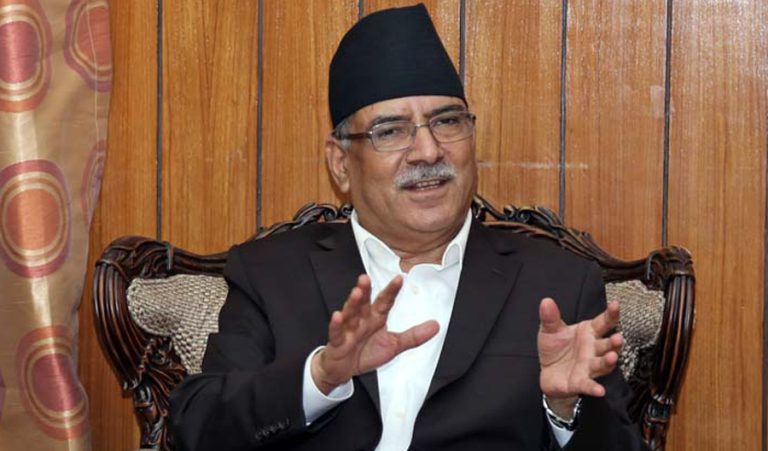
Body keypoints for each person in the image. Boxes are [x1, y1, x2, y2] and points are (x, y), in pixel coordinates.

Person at [170, 4, 647, 450]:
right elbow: (198, 427)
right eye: (391, 131)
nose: (428, 151)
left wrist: (564, 409)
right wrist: (319, 377)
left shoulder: (558, 284)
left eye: (447, 121)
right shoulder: (272, 273)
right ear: (340, 164)